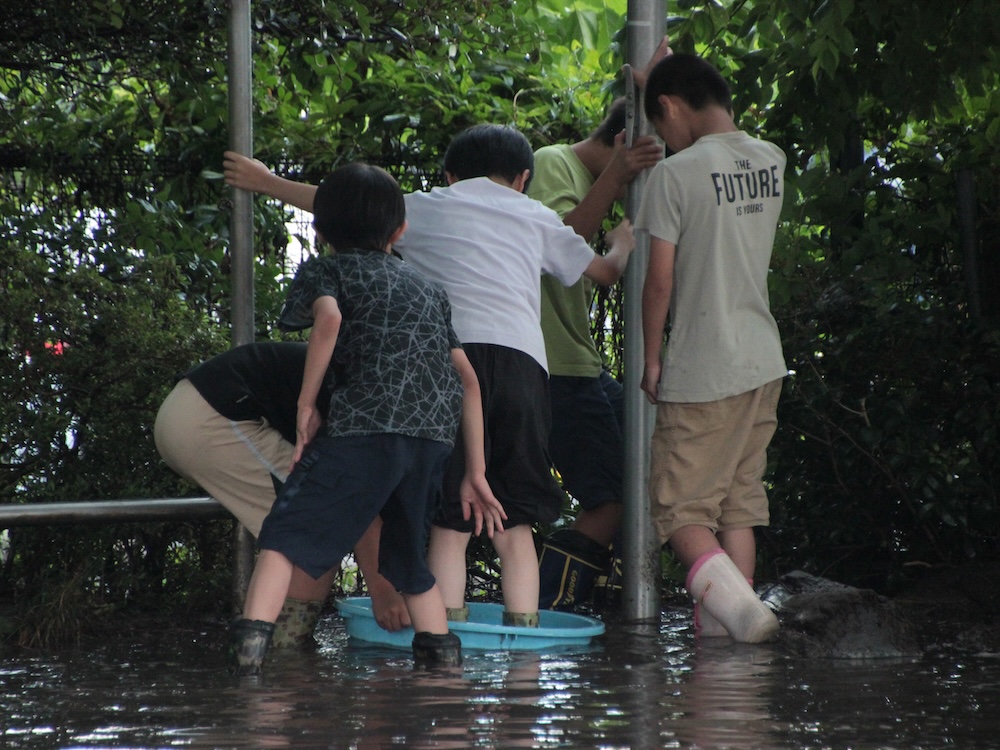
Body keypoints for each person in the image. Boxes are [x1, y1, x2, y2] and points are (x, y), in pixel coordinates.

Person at [222, 123, 635, 632]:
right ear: (524, 178)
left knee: (450, 518)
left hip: (452, 364)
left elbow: (346, 207)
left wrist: (267, 182)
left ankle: (451, 635)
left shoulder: (429, 205)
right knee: (515, 520)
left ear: (449, 175)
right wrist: (623, 242)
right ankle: (524, 639)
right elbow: (604, 272)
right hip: (525, 371)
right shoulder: (536, 215)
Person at [227, 163, 505, 675]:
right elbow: (468, 380)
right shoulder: (428, 287)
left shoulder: (326, 269)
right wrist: (477, 472)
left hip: (362, 427)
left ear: (320, 230)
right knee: (408, 561)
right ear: (399, 231)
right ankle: (443, 673)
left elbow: (329, 320)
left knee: (283, 536)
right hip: (430, 438)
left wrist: (306, 404)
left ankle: (248, 670)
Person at [636, 52, 786, 643]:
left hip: (705, 366)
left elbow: (660, 281)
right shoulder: (771, 160)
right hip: (761, 360)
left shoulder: (676, 176)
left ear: (669, 107)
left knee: (682, 513)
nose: (662, 139)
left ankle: (744, 616)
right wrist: (666, 73)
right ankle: (721, 640)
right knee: (739, 506)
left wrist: (651, 358)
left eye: (658, 124)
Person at [530, 41, 669, 610]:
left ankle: (601, 599)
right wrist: (616, 179)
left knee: (646, 472)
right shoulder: (550, 163)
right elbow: (554, 241)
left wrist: (652, 79)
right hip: (554, 367)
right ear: (621, 145)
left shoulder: (590, 178)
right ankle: (549, 610)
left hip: (580, 365)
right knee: (609, 498)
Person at [154, 342, 413, 647]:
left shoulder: (367, 377)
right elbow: (354, 499)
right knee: (313, 528)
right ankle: (284, 652)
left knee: (317, 535)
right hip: (210, 419)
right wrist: (384, 595)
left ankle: (283, 648)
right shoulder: (365, 394)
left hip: (196, 412)